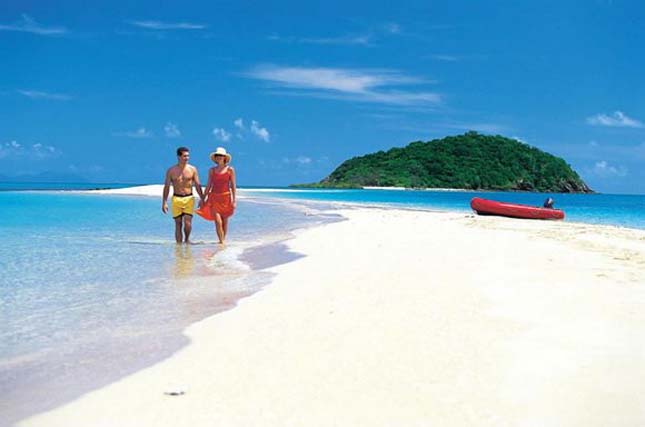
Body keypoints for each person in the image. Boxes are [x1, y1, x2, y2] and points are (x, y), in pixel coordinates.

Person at [162, 146, 205, 243]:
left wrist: (202, 198)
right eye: (185, 156)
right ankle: (179, 247)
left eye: (188, 156)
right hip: (176, 198)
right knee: (178, 224)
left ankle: (187, 239)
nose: (187, 158)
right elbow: (167, 187)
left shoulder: (192, 169)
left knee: (187, 222)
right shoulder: (171, 171)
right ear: (178, 156)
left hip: (189, 198)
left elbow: (198, 185)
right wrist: (164, 202)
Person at [201, 147, 236, 244]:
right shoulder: (211, 170)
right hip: (214, 198)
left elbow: (233, 186)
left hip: (226, 198)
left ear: (225, 157)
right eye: (217, 156)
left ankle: (222, 242)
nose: (219, 157)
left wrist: (234, 200)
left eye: (221, 155)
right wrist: (203, 198)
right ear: (215, 158)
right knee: (218, 221)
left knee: (225, 222)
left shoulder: (230, 170)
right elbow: (208, 185)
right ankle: (221, 241)